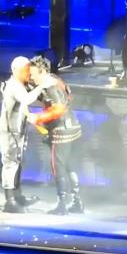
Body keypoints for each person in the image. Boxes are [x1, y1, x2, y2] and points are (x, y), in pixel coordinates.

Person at [27, 56, 83, 215]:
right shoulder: (55, 80)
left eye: (33, 74)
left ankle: (62, 205)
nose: (31, 77)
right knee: (70, 165)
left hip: (61, 131)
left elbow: (58, 109)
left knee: (58, 167)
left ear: (42, 71)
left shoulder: (50, 87)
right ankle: (77, 202)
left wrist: (38, 118)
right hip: (72, 127)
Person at [0, 56, 52, 213]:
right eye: (26, 70)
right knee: (10, 164)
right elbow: (27, 99)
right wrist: (41, 86)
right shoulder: (14, 86)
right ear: (16, 70)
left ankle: (17, 196)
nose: (29, 74)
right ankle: (10, 201)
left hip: (18, 129)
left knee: (17, 163)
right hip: (10, 130)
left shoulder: (21, 84)